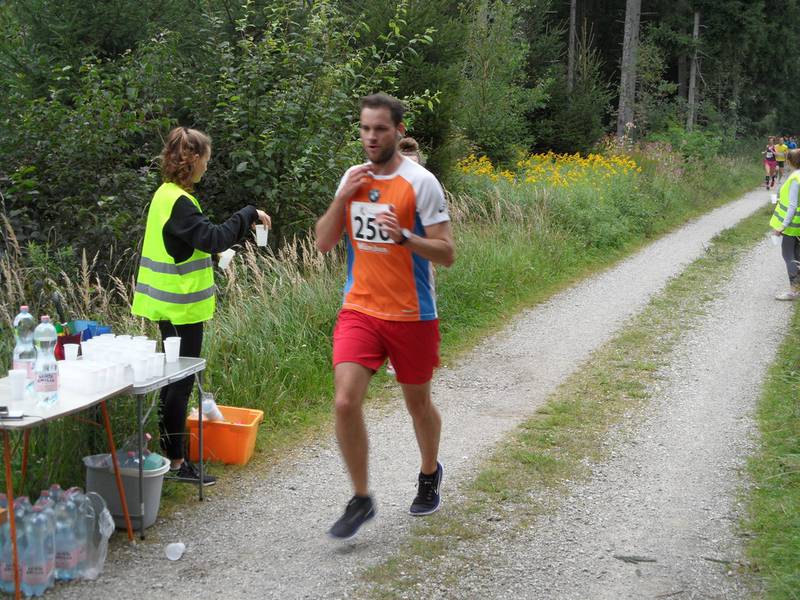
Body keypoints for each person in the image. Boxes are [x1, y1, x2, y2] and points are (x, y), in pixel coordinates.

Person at [315, 93, 455, 540]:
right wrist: (342, 198)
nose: (371, 137)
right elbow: (323, 242)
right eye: (365, 129)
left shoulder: (421, 183)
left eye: (379, 129)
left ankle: (429, 472)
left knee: (418, 404)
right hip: (360, 308)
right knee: (345, 401)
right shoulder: (352, 178)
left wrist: (406, 238)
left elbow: (446, 253)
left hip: (412, 314)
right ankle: (361, 498)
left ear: (398, 130)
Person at [131, 126, 271, 483]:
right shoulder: (179, 201)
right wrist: (249, 213)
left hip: (169, 303)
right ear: (192, 159)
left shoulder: (166, 195)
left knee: (174, 380)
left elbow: (183, 244)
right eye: (206, 159)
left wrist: (213, 252)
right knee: (179, 383)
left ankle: (173, 457)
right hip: (180, 306)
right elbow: (212, 237)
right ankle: (178, 464)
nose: (207, 166)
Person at [770, 148, 800, 300]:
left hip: (793, 225)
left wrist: (782, 225)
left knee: (789, 256)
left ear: (790, 161)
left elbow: (792, 205)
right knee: (797, 255)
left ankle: (793, 291)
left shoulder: (795, 178)